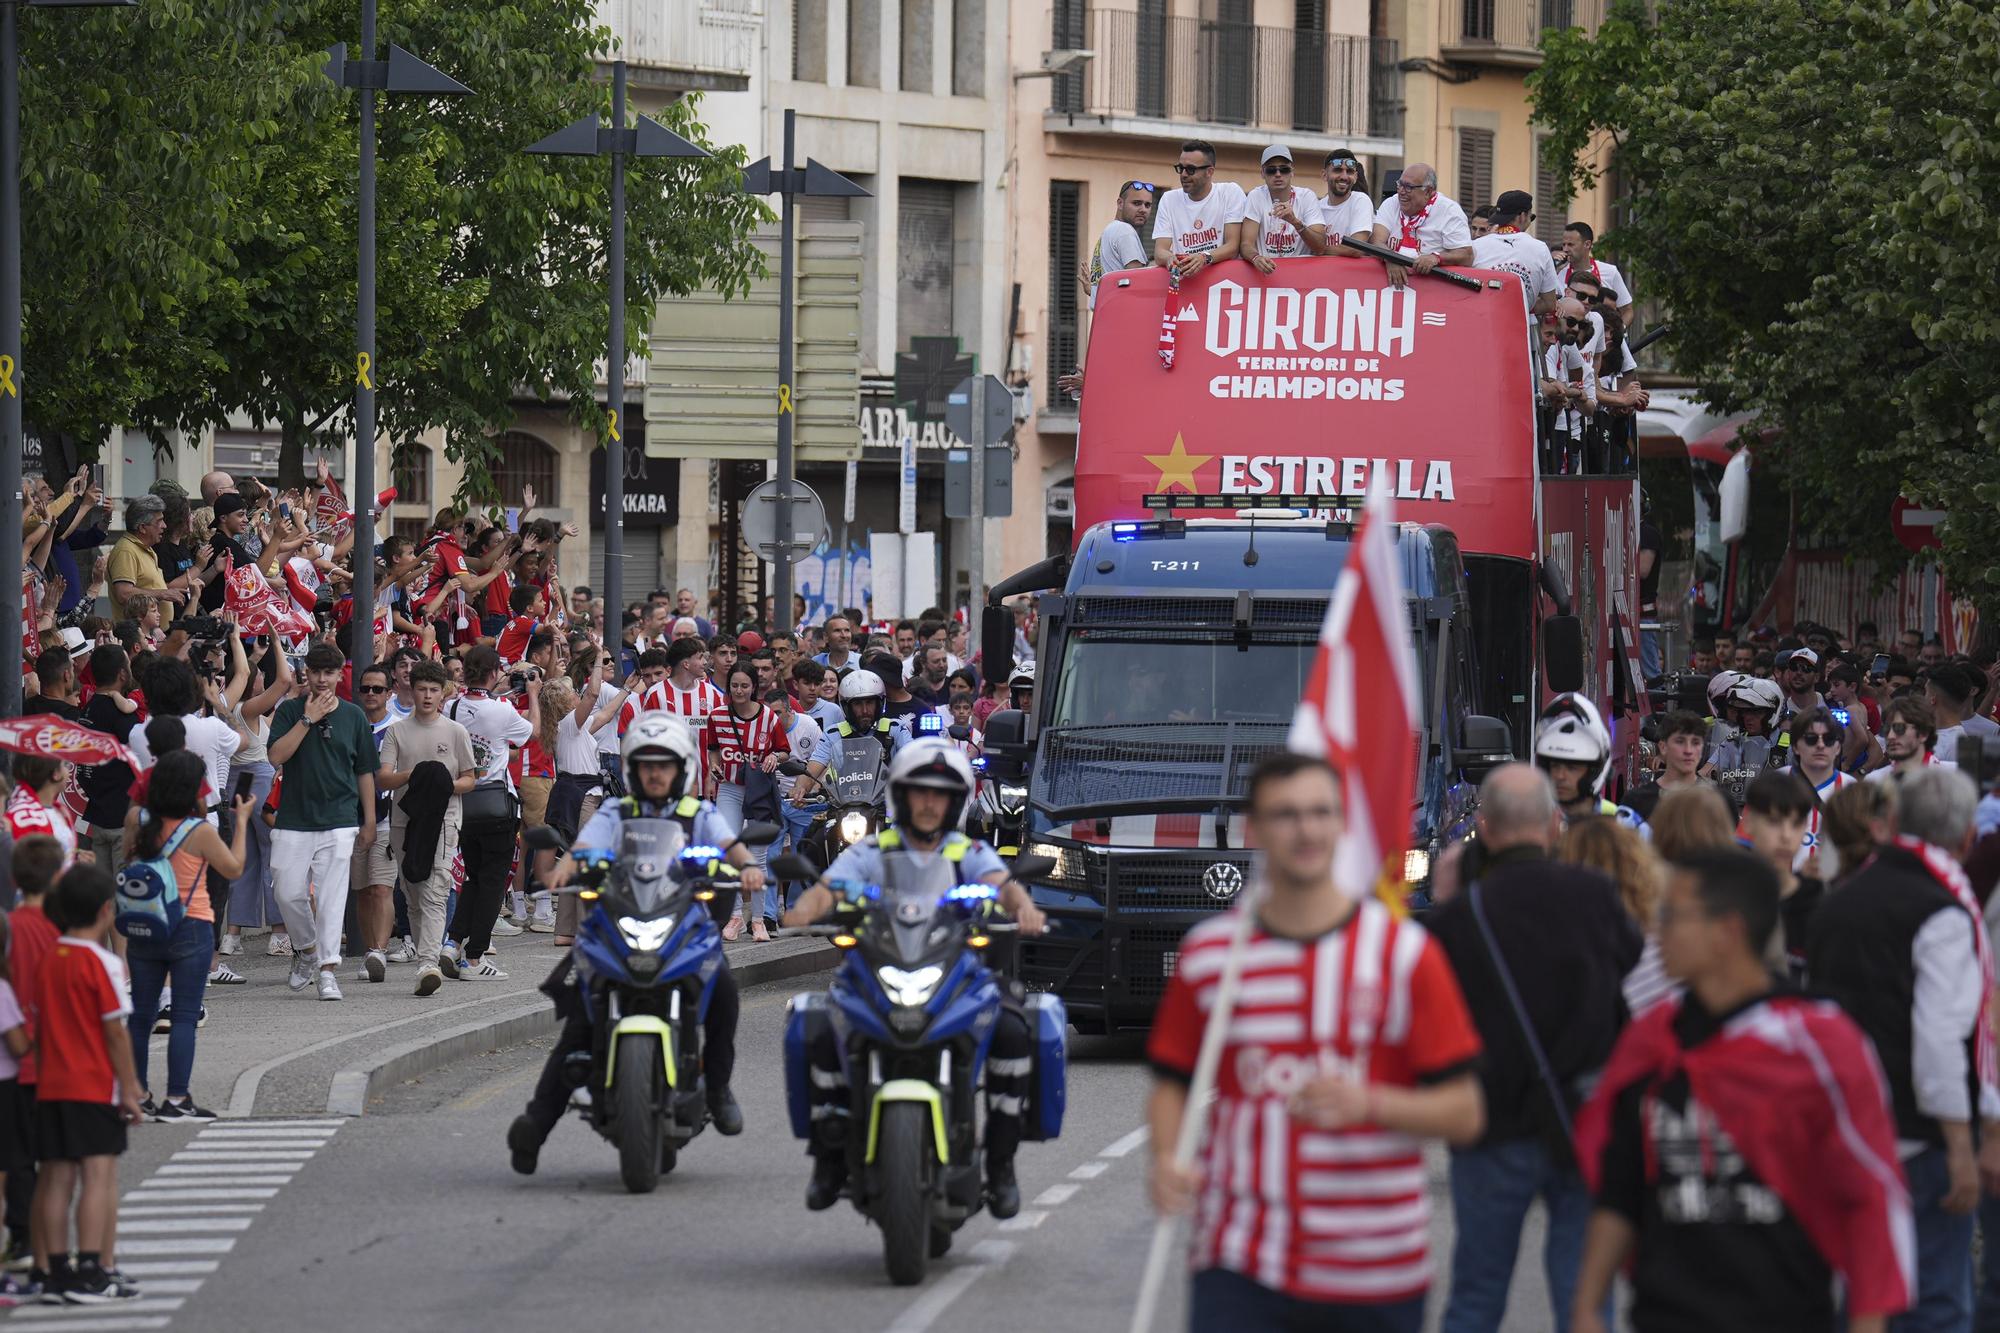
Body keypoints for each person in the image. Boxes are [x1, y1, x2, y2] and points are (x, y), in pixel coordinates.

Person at [1145, 752, 1483, 1331]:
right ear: (1257, 827)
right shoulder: (1211, 957)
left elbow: (1467, 1111)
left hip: (1374, 1270)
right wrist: (1166, 1157)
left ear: (1342, 824)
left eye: (1320, 813)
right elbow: (1172, 1081)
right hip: (1239, 1262)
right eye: (1286, 815)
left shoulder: (1404, 956)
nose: (1305, 830)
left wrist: (1370, 1104)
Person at [1571, 848, 1912, 1333]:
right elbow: (1620, 1189)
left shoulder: (1821, 1045)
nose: (1656, 928)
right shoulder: (1651, 1043)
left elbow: (1871, 1197)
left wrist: (1868, 1324)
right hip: (1662, 1316)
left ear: (1726, 931)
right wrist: (1587, 1307)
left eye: (1671, 915)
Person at [782, 739, 1047, 1217]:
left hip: (954, 972)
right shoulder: (875, 849)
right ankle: (827, 1158)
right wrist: (806, 909)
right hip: (880, 968)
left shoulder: (966, 849)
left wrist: (1025, 910)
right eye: (920, 792)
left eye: (940, 794)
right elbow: (832, 885)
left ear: (954, 802)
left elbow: (1000, 886)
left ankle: (1002, 1163)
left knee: (1012, 1029)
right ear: (901, 796)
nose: (929, 803)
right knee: (820, 1028)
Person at [1426, 765, 1640, 1333]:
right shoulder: (1594, 895)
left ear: (1485, 829)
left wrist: (1446, 900)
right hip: (1586, 1119)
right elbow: (1632, 968)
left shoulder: (1462, 915)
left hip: (1491, 1126)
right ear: (1553, 825)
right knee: (1584, 1296)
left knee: (1477, 1294)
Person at [509, 715, 764, 1172]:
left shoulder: (697, 813)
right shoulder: (615, 812)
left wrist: (747, 867)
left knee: (722, 989)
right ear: (631, 768)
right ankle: (536, 1123)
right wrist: (569, 869)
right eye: (646, 764)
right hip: (620, 929)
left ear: (681, 768)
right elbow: (586, 850)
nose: (654, 773)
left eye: (664, 764)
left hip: (681, 932)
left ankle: (719, 1087)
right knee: (580, 1019)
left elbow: (733, 848)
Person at [1810, 766, 1992, 1332]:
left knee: (1861, 1294)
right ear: (1966, 839)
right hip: (1918, 1138)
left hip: (1845, 1127)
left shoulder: (1838, 901)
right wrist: (1961, 1144)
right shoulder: (1942, 910)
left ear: (1892, 822)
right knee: (1936, 1299)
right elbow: (1940, 1037)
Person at [30, 864, 143, 1305]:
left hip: (51, 1083)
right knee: (98, 1175)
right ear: (105, 911)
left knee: (56, 1177)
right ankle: (93, 1268)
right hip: (92, 1084)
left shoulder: (47, 959)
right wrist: (130, 1088)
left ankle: (55, 1272)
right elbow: (115, 1031)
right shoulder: (104, 963)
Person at [120, 751, 252, 1123]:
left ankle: (138, 1095)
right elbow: (235, 867)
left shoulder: (138, 820)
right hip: (190, 925)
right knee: (182, 1015)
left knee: (141, 1015)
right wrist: (240, 822)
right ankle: (177, 1099)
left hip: (145, 924)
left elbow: (127, 862)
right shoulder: (201, 831)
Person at [265, 642, 379, 1002]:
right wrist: (307, 719)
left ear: (338, 675)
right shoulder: (289, 712)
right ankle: (307, 950)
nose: (321, 680)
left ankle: (327, 970)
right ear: (306, 674)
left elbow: (364, 772)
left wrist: (370, 821)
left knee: (331, 898)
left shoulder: (354, 716)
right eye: (315, 672)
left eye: (328, 673)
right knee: (286, 890)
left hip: (340, 818)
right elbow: (275, 757)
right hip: (294, 818)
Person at [375, 661, 478, 996]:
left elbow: (469, 778)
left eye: (434, 690)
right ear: (412, 690)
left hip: (444, 820)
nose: (428, 695)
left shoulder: (455, 731)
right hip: (405, 819)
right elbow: (384, 777)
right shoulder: (398, 731)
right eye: (422, 689)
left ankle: (428, 962)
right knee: (412, 891)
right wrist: (419, 775)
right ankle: (425, 957)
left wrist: (442, 784)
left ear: (443, 693)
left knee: (436, 887)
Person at [440, 645, 534, 981]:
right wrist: (533, 694)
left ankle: (452, 942)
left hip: (464, 804)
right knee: (493, 883)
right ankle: (475, 958)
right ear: (495, 673)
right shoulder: (504, 709)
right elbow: (531, 734)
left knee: (473, 878)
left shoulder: (450, 706)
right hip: (497, 803)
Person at [6, 837, 61, 1274]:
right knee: (54, 1157)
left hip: (13, 1057)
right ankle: (50, 1245)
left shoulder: (9, 927)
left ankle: (23, 1234)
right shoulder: (60, 929)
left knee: (17, 1155)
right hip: (53, 1056)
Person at [709, 664, 786, 941]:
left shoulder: (768, 717)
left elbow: (784, 750)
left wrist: (774, 758)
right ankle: (734, 917)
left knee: (759, 857)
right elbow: (713, 750)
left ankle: (758, 920)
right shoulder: (717, 716)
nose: (739, 691)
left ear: (754, 687)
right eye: (734, 685)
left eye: (744, 686)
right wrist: (713, 768)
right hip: (729, 788)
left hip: (759, 791)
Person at [1736, 768, 1819, 982]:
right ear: (1749, 821)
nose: (1786, 836)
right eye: (1774, 821)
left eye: (1796, 824)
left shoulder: (1818, 903)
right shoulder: (1726, 898)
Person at [788, 668, 907, 806]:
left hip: (889, 806)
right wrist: (800, 788)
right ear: (846, 707)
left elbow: (915, 760)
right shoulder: (833, 734)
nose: (864, 710)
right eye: (857, 704)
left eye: (869, 703)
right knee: (815, 828)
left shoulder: (895, 728)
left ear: (879, 703)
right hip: (844, 807)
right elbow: (812, 769)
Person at [1369, 162, 1473, 289]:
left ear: (1428, 191)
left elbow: (1466, 255)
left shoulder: (1449, 211)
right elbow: (1376, 240)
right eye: (1400, 184)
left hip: (1433, 292)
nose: (1401, 191)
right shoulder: (1391, 203)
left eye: (1408, 187)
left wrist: (1436, 258)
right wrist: (1390, 258)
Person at [1151, 139, 1246, 275]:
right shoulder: (1168, 199)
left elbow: (1233, 246)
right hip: (1185, 283)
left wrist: (1204, 257)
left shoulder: (1230, 192)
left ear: (1209, 172)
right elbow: (1160, 251)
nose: (1183, 174)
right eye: (1181, 168)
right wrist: (1169, 258)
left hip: (1222, 284)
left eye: (1190, 169)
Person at [1470, 190, 1561, 316]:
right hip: (1518, 330)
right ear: (1522, 216)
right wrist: (1522, 309)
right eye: (1530, 216)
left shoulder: (1475, 246)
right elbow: (1550, 303)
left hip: (1482, 323)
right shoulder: (1540, 249)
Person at [1621, 711, 1718, 826]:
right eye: (1680, 742)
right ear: (1663, 747)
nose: (1688, 750)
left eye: (1695, 743)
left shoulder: (1718, 801)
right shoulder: (1636, 800)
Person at [1533, 693, 1619, 822]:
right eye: (1555, 766)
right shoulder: (1529, 825)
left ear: (1594, 771)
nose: (1560, 776)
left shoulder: (1623, 825)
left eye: (1572, 768)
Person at [1240, 144, 1328, 268]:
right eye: (1271, 170)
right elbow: (1246, 244)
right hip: (1266, 271)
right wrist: (1256, 258)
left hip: (1299, 272)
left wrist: (1296, 222)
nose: (1278, 174)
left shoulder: (1307, 196)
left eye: (1284, 169)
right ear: (1262, 173)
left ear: (1292, 172)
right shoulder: (1256, 196)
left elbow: (1320, 247)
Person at [1084, 180, 1155, 310]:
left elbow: (1109, 288)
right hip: (1122, 318)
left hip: (1105, 318)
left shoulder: (1109, 230)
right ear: (1120, 203)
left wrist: (1091, 290)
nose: (1143, 210)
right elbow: (1138, 282)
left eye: (1147, 205)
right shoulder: (1125, 231)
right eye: (1136, 203)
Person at [105, 496, 176, 622]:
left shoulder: (145, 548)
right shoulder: (125, 551)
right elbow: (123, 594)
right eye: (159, 521)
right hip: (136, 636)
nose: (164, 526)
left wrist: (168, 592)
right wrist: (163, 594)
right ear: (142, 528)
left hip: (153, 635)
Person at [1557, 221, 1634, 325]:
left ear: (1587, 244)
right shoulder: (1558, 274)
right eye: (1564, 244)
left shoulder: (1610, 272)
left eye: (1570, 244)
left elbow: (1627, 310)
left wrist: (1618, 333)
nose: (1565, 249)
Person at [1871, 694, 1949, 783]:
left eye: (1899, 728)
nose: (1890, 736)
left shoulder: (1951, 778)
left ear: (1923, 734)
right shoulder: (1874, 781)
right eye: (1887, 729)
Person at [1317, 147, 1374, 250]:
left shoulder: (1360, 200)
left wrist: (1319, 249)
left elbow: (1356, 249)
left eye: (1349, 171)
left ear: (1356, 177)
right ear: (1324, 175)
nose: (1344, 176)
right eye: (1338, 170)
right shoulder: (1317, 207)